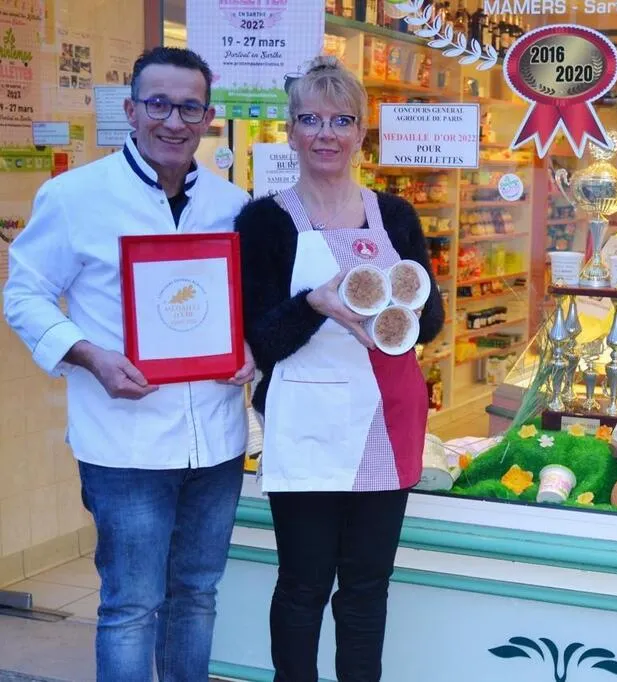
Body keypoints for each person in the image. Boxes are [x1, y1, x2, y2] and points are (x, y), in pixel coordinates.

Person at [3, 47, 253, 681]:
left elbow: (244, 302)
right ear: (132, 110)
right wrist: (90, 355)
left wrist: (249, 344)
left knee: (197, 595)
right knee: (130, 605)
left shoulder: (231, 204)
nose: (173, 121)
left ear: (208, 118)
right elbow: (24, 294)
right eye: (158, 104)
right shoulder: (75, 196)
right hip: (124, 445)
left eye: (189, 108)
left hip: (216, 441)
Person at [235, 56, 443, 682]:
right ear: (291, 131)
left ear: (361, 133)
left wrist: (402, 307)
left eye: (341, 120)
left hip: (386, 419)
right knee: (302, 586)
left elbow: (431, 322)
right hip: (306, 421)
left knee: (366, 589)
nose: (325, 133)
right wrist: (315, 304)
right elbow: (258, 340)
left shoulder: (395, 216)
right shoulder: (264, 221)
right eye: (310, 120)